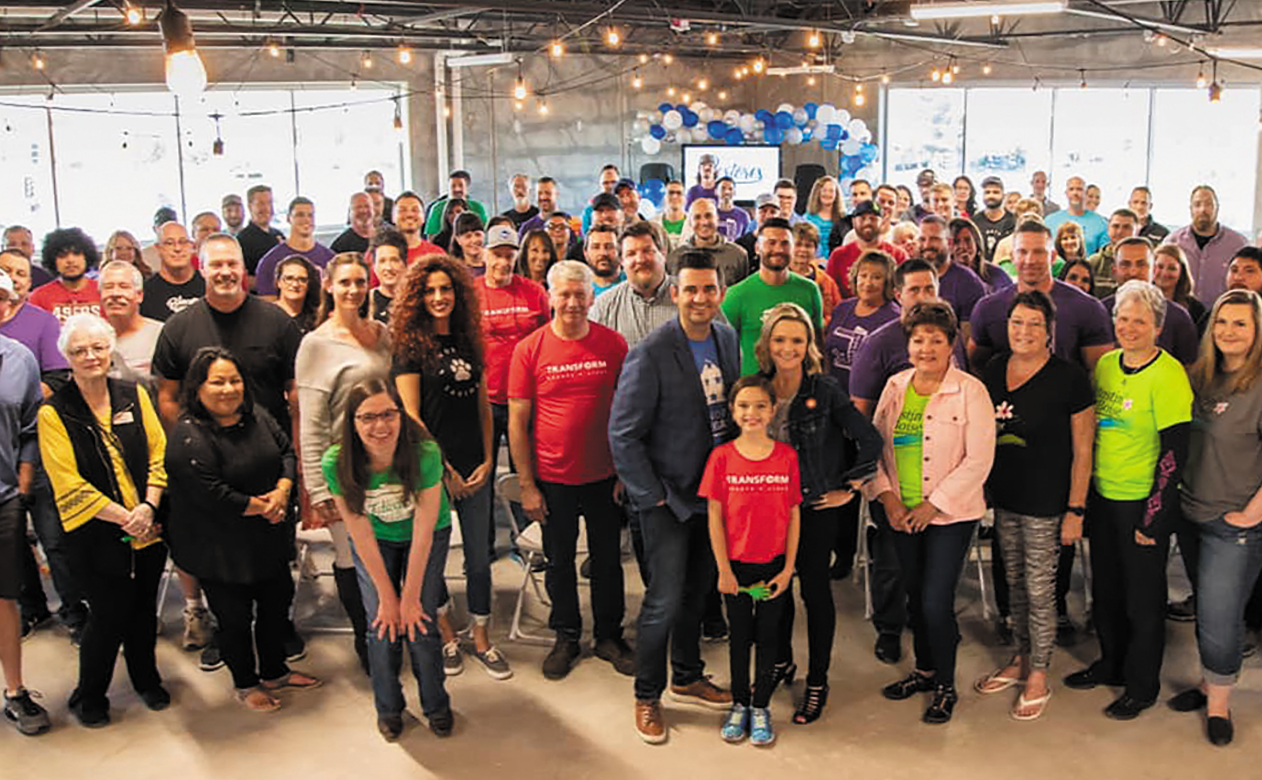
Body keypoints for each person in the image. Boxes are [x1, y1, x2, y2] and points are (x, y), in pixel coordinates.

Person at [152, 234, 304, 669]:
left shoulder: (276, 322)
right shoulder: (179, 328)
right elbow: (167, 396)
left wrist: (293, 459)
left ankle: (276, 629)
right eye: (215, 264)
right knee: (218, 561)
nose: (224, 272)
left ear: (244, 269)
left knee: (275, 555)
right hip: (209, 472)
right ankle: (227, 632)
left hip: (268, 463)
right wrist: (190, 446)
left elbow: (295, 392)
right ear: (201, 268)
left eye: (231, 264)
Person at [610, 250, 740, 744]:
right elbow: (623, 434)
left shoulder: (726, 339)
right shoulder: (650, 352)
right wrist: (652, 496)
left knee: (697, 594)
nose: (700, 298)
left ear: (720, 293)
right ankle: (648, 695)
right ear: (675, 293)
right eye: (691, 290)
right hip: (668, 498)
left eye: (709, 289)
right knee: (662, 601)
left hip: (712, 495)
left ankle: (687, 676)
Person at [1063, 280, 1192, 721]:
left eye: (1140, 321)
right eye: (1122, 318)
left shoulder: (1168, 374)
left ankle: (1141, 685)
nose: (1129, 327)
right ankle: (1111, 664)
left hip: (1143, 502)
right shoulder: (1106, 365)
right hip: (1104, 496)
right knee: (1107, 591)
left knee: (1143, 600)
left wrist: (1153, 518)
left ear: (1158, 326)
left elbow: (1174, 455)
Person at [165, 347, 319, 712]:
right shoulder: (188, 435)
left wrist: (282, 492)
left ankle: (275, 671)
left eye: (234, 380)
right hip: (219, 546)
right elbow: (210, 493)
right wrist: (264, 506)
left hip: (267, 535)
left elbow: (286, 452)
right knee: (234, 619)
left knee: (275, 606)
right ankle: (246, 683)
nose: (228, 389)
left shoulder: (256, 415)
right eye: (217, 382)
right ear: (198, 387)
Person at [38, 314, 169, 727]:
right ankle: (89, 694)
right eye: (79, 351)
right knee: (109, 614)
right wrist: (125, 517)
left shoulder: (134, 395)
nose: (90, 356)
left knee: (143, 609)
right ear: (67, 357)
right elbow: (67, 481)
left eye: (97, 347)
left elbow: (158, 452)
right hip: (95, 532)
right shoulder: (54, 412)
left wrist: (148, 507)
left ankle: (147, 679)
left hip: (148, 525)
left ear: (110, 349)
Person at [868, 301, 995, 725]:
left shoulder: (970, 391)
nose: (926, 348)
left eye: (935, 340)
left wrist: (932, 504)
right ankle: (923, 671)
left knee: (936, 601)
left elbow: (979, 460)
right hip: (900, 511)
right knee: (914, 596)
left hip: (949, 516)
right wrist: (887, 497)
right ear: (908, 345)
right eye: (918, 340)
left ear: (951, 345)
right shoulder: (895, 387)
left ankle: (945, 684)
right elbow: (875, 449)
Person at [755, 304, 881, 725]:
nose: (787, 348)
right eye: (779, 339)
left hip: (814, 508)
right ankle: (780, 662)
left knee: (815, 592)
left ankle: (817, 681)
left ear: (809, 344)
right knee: (774, 590)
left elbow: (869, 440)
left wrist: (851, 488)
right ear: (766, 344)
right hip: (768, 509)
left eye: (797, 340)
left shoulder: (824, 389)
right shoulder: (754, 388)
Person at [508, 260, 633, 680]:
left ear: (592, 297)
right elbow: (517, 423)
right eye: (564, 294)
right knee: (559, 561)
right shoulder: (530, 349)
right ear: (550, 297)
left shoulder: (613, 344)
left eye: (580, 294)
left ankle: (609, 636)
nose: (573, 302)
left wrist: (624, 471)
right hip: (553, 478)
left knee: (607, 561)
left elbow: (627, 412)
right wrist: (527, 485)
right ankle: (566, 635)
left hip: (604, 476)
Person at [974, 290, 1095, 721]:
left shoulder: (1070, 378)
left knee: (1041, 590)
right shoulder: (994, 369)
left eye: (1034, 324)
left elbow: (1084, 449)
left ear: (1049, 332)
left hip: (1048, 502)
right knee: (1015, 583)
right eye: (1017, 322)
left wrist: (1076, 510)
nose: (1024, 331)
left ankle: (1040, 673)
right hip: (1006, 498)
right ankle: (1021, 657)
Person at [392, 253, 509, 680]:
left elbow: (481, 405)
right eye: (429, 291)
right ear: (417, 297)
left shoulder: (468, 340)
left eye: (446, 289)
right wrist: (442, 469)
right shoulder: (408, 348)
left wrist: (489, 458)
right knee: (431, 558)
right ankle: (445, 633)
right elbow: (411, 415)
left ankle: (481, 635)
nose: (439, 297)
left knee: (479, 558)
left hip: (475, 466)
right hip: (430, 470)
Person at [323, 377, 454, 740]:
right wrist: (388, 597)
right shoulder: (337, 462)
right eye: (367, 417)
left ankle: (436, 705)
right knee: (381, 625)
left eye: (388, 415)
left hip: (425, 536)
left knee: (420, 623)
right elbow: (359, 532)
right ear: (352, 422)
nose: (379, 426)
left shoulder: (425, 453)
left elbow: (424, 531)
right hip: (376, 539)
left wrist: (409, 598)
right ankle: (388, 708)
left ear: (400, 415)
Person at [1166, 289, 1262, 746]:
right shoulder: (1201, 377)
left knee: (1221, 615)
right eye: (1222, 322)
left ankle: (1219, 704)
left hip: (1235, 521)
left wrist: (1252, 513)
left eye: (1241, 323)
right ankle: (1209, 684)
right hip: (1191, 511)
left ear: (1258, 330)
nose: (1228, 331)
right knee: (1207, 606)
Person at [295, 253, 391, 676]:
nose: (353, 290)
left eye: (360, 282)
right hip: (344, 470)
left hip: (386, 464)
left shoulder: (381, 334)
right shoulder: (316, 344)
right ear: (329, 286)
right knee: (353, 558)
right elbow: (312, 423)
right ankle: (366, 638)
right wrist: (319, 489)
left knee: (386, 555)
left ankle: (388, 629)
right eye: (345, 282)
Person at [701, 374, 801, 748]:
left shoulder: (786, 457)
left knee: (769, 637)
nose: (752, 413)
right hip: (736, 570)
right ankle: (740, 703)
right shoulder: (721, 458)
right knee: (740, 638)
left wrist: (788, 569)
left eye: (760, 405)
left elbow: (794, 515)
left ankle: (761, 706)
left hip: (773, 567)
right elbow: (714, 516)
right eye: (743, 406)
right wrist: (724, 570)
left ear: (773, 410)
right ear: (732, 410)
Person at [0, 269, 51, 736]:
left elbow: (32, 427)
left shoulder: (19, 360)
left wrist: (24, 478)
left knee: (4, 598)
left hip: (3, 498)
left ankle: (15, 692)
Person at [721, 218, 823, 374]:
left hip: (799, 385)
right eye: (771, 243)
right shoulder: (736, 295)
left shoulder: (810, 290)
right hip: (753, 385)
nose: (778, 249)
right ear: (757, 248)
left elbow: (818, 345)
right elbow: (723, 351)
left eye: (785, 243)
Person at [1100, 237, 1200, 364]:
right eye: (1125, 264)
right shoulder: (1100, 312)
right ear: (1114, 271)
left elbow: (1189, 368)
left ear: (1154, 270)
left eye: (1141, 264)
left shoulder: (1178, 317)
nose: (1133, 272)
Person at [590, 221, 679, 348]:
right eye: (631, 254)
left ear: (663, 253)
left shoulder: (691, 295)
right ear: (621, 261)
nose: (640, 260)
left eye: (647, 251)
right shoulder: (604, 307)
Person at [824, 250, 900, 394]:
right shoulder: (842, 308)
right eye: (863, 276)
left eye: (876, 277)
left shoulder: (895, 318)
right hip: (834, 394)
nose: (868, 283)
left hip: (872, 398)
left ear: (888, 281)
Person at [1165, 185, 1250, 305]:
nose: (1203, 210)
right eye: (1197, 204)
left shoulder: (1239, 244)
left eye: (1208, 204)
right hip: (1181, 311)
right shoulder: (1173, 242)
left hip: (1223, 313)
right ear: (1190, 209)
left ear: (1217, 208)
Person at [917, 216, 985, 344]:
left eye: (934, 239)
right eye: (922, 239)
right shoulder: (910, 276)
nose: (926, 245)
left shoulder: (968, 282)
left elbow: (969, 341)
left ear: (950, 243)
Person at [255, 198, 335, 299]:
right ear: (288, 219)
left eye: (310, 215)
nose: (306, 220)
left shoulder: (330, 258)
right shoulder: (269, 262)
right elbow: (267, 303)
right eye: (300, 215)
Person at [825, 200, 907, 298]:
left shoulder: (898, 255)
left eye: (873, 219)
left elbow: (905, 291)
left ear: (882, 222)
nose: (868, 222)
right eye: (862, 218)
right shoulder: (838, 256)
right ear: (853, 222)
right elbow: (829, 292)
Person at [666, 198, 749, 288]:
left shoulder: (738, 256)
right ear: (690, 222)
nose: (704, 222)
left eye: (708, 216)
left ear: (717, 218)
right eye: (697, 217)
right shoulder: (675, 257)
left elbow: (742, 293)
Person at [99, 261, 163, 377]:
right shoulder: (92, 339)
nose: (115, 294)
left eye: (124, 287)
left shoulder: (161, 335)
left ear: (139, 295)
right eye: (108, 287)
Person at [29, 227, 100, 323]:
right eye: (62, 255)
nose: (70, 260)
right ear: (53, 261)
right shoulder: (39, 297)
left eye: (76, 253)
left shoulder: (102, 292)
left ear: (87, 257)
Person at [140, 222, 204, 323]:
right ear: (158, 248)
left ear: (192, 246)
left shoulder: (209, 284)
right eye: (169, 243)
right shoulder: (145, 293)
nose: (177, 248)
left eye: (183, 242)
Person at [788, 223, 841, 315]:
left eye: (808, 246)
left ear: (815, 249)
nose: (803, 249)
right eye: (798, 245)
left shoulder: (827, 282)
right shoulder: (779, 277)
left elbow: (839, 313)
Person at [1086, 209, 1141, 298]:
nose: (1119, 231)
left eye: (1126, 227)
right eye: (1115, 226)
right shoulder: (1092, 262)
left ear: (1137, 231)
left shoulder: (1144, 264)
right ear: (1108, 229)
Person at [1046, 177, 1107, 255]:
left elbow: (1105, 255)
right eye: (1071, 189)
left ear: (1086, 194)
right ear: (1066, 193)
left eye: (1079, 189)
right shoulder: (1049, 221)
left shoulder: (1101, 223)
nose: (1075, 193)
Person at [236, 185, 284, 283]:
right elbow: (240, 278)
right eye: (261, 203)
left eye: (269, 203)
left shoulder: (278, 236)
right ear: (250, 207)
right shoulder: (242, 240)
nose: (266, 208)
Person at [949, 217, 1011, 294]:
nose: (963, 246)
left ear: (976, 243)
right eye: (956, 242)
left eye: (968, 240)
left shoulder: (997, 274)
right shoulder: (942, 279)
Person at [1153, 243, 1206, 328]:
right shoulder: (1139, 300)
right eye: (1160, 266)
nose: (1165, 273)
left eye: (1172, 268)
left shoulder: (1196, 309)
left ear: (1182, 272)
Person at [424, 170, 487, 238]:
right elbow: (431, 236)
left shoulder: (477, 207)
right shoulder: (437, 208)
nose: (457, 189)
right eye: (453, 186)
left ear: (466, 187)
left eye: (461, 185)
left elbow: (485, 232)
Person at [272, 256, 321, 334]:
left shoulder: (318, 320)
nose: (295, 284)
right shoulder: (265, 315)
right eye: (289, 278)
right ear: (278, 282)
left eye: (302, 279)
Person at [393, 192, 445, 265]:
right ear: (393, 217)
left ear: (423, 217)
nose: (409, 214)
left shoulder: (436, 254)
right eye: (402, 210)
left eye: (415, 210)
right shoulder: (383, 253)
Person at [369, 228, 408, 324]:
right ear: (374, 266)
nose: (389, 267)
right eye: (382, 261)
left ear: (405, 264)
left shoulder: (415, 299)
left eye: (394, 260)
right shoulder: (366, 302)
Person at [973, 176, 1015, 261]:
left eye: (996, 192)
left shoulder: (1013, 221)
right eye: (987, 192)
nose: (991, 196)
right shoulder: (974, 221)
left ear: (1003, 195)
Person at [736, 193, 781, 269]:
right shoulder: (741, 244)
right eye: (764, 211)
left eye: (773, 212)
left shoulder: (784, 244)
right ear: (755, 213)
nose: (768, 216)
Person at [804, 176, 844, 258]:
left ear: (836, 194)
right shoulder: (807, 218)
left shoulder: (843, 219)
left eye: (831, 191)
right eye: (824, 190)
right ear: (818, 193)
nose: (827, 194)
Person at [584, 224, 625, 296]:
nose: (603, 253)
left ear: (621, 251)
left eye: (609, 247)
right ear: (585, 253)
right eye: (595, 247)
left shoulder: (634, 284)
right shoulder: (580, 288)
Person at [652, 180, 689, 250]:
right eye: (671, 193)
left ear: (685, 198)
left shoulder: (693, 223)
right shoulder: (653, 224)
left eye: (679, 193)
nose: (675, 196)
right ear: (664, 197)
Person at [448, 212, 487, 277]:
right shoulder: (454, 270)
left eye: (478, 234)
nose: (474, 240)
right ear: (458, 240)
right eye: (468, 236)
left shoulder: (494, 265)